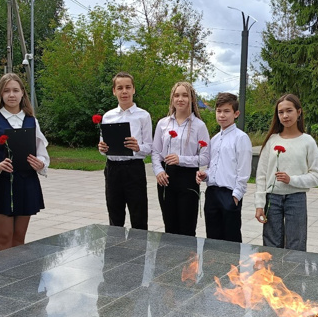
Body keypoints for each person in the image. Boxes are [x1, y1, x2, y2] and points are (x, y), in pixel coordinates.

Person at [0, 73, 49, 251]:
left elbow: (42, 153)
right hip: (0, 183)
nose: (11, 95)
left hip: (26, 183)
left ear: (23, 93)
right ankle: (2, 278)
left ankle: (17, 278)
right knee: (4, 237)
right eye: (6, 91)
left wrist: (40, 163)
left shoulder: (32, 121)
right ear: (0, 94)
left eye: (16, 90)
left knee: (18, 239)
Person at [254, 93, 318, 250]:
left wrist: (292, 180)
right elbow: (261, 176)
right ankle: (270, 274)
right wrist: (259, 204)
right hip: (273, 199)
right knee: (271, 245)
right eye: (281, 112)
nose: (285, 115)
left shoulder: (307, 142)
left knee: (296, 244)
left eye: (289, 111)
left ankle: (294, 274)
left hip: (296, 198)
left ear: (299, 112)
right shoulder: (271, 140)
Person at [151, 81, 210, 236]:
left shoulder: (199, 126)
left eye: (185, 95)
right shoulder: (163, 124)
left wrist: (181, 159)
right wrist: (158, 171)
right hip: (166, 178)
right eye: (177, 95)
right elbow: (156, 152)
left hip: (188, 178)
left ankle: (188, 260)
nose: (180, 99)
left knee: (187, 227)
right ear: (172, 99)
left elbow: (205, 157)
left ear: (191, 99)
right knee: (169, 226)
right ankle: (168, 260)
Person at [97, 72, 153, 230]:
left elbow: (149, 147)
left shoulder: (143, 116)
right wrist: (102, 148)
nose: (124, 91)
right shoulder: (108, 116)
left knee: (139, 216)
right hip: (113, 169)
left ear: (134, 90)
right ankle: (115, 253)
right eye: (120, 88)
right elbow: (103, 145)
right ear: (114, 91)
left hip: (134, 169)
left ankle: (139, 253)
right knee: (115, 216)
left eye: (128, 87)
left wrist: (138, 147)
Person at [196, 92, 252, 243]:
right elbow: (214, 166)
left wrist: (236, 195)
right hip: (212, 193)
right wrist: (205, 174)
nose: (222, 115)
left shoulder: (241, 138)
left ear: (236, 113)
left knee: (231, 238)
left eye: (227, 111)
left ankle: (234, 266)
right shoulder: (213, 139)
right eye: (219, 111)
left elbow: (244, 169)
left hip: (229, 194)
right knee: (212, 238)